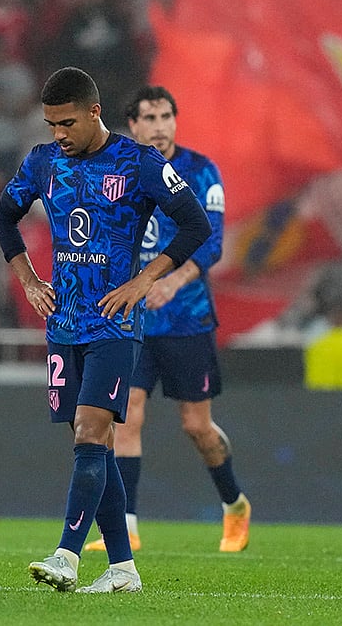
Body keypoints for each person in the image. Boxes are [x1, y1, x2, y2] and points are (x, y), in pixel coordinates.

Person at [0, 68, 210, 593]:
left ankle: (67, 555)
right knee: (95, 446)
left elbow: (196, 223)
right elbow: (3, 217)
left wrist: (144, 280)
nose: (58, 134)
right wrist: (28, 280)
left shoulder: (138, 162)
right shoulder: (43, 163)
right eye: (50, 124)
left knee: (91, 434)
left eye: (66, 122)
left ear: (94, 112)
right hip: (62, 323)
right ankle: (123, 569)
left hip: (113, 323)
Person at [83, 86, 252, 555]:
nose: (158, 125)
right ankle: (128, 527)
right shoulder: (117, 172)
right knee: (127, 415)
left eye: (165, 116)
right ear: (131, 126)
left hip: (187, 319)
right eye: (148, 118)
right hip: (133, 321)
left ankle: (234, 504)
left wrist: (172, 284)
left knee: (196, 426)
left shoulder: (201, 172)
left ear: (175, 121)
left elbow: (212, 242)